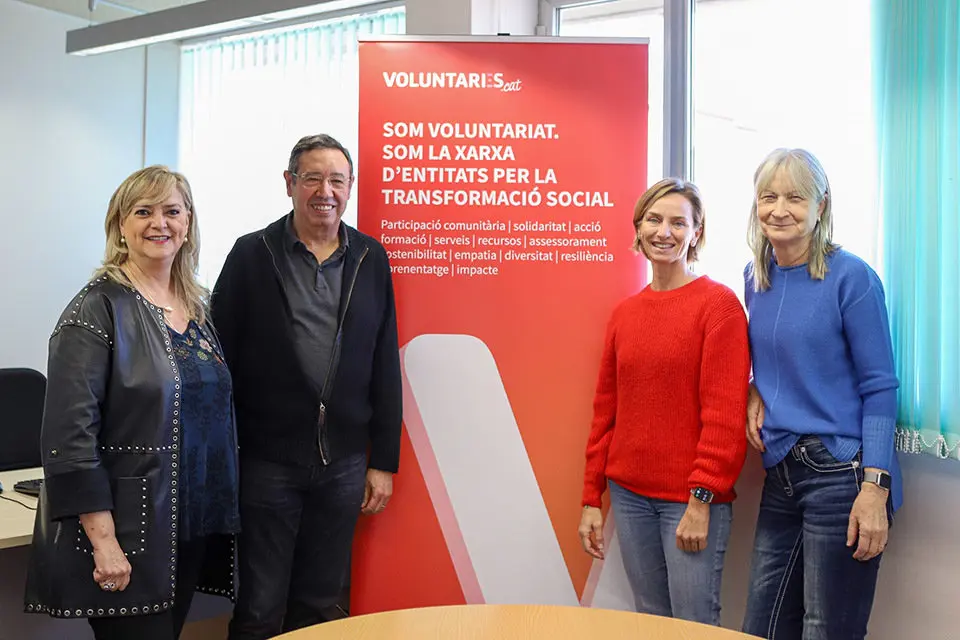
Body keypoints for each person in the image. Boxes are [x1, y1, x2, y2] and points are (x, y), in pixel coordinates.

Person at [24, 166, 240, 640]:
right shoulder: (96, 309)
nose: (159, 223)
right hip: (132, 529)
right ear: (120, 225)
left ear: (188, 224)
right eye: (143, 212)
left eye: (172, 211)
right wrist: (104, 542)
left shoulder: (196, 308)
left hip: (190, 523)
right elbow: (68, 438)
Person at [212, 134, 402, 639]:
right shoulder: (252, 254)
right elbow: (219, 364)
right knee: (259, 607)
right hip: (267, 462)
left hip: (343, 465)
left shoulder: (369, 257)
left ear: (350, 187)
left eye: (337, 180)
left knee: (320, 605)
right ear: (289, 183)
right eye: (312, 178)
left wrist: (382, 460)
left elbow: (384, 362)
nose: (325, 190)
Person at [740, 148, 900, 640]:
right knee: (761, 627)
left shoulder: (851, 278)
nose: (779, 209)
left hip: (842, 474)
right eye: (769, 197)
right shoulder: (755, 277)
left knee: (826, 631)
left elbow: (880, 386)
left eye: (795, 197)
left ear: (821, 206)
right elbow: (777, 357)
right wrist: (752, 388)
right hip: (783, 470)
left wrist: (876, 488)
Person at [578, 178, 751, 625]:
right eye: (654, 219)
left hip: (687, 499)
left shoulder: (719, 306)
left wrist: (699, 500)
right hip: (629, 493)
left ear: (696, 233)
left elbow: (724, 415)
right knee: (650, 619)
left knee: (693, 622)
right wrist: (590, 498)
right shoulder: (625, 313)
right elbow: (606, 410)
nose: (664, 231)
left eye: (679, 222)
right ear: (638, 227)